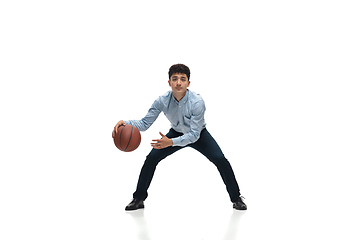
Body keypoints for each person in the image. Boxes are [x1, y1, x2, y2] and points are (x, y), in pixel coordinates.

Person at [112, 64, 247, 211]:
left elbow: (194, 135)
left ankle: (236, 198)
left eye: (182, 79)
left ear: (188, 83)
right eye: (174, 79)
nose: (178, 82)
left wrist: (170, 142)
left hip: (198, 134)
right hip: (176, 132)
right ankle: (138, 198)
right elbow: (144, 123)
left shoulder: (197, 102)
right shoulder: (161, 101)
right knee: (151, 159)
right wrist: (125, 123)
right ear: (169, 82)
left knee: (220, 160)